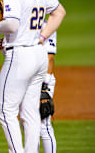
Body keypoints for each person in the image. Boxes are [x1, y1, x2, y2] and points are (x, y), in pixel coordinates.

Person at [0, 0, 66, 153]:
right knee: (30, 113)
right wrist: (43, 36)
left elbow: (11, 25)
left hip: (20, 56)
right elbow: (60, 12)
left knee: (5, 111)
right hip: (38, 55)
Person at [40, 20, 57, 153]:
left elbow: (50, 57)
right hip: (27, 80)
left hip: (43, 80)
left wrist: (45, 87)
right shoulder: (22, 23)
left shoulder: (47, 26)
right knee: (28, 125)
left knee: (44, 126)